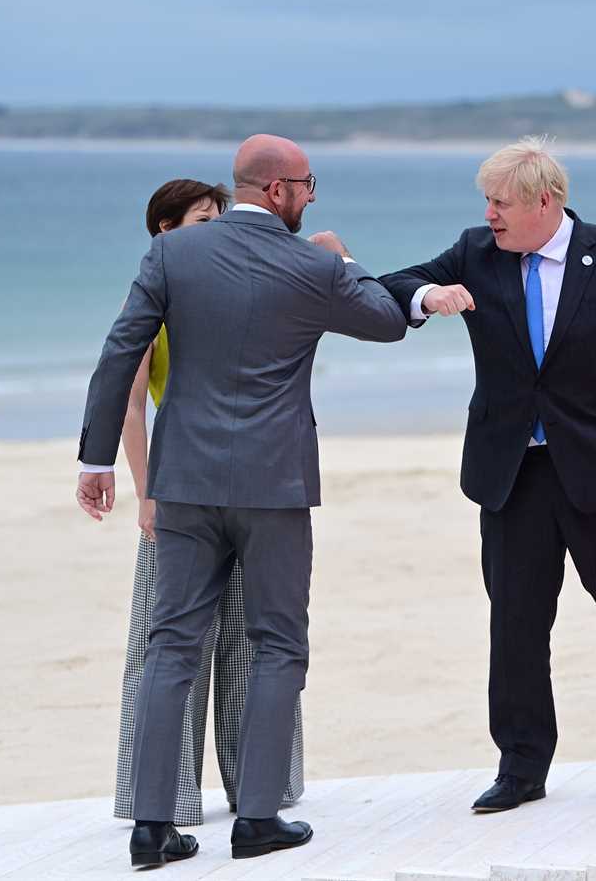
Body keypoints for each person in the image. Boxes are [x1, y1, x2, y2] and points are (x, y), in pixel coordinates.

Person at [76, 134, 407, 868]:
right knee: (279, 643)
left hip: (185, 481)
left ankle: (151, 827)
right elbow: (386, 320)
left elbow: (119, 351)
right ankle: (257, 818)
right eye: (309, 184)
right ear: (280, 188)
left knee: (171, 646)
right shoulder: (315, 263)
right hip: (273, 485)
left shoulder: (172, 255)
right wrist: (346, 260)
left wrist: (96, 458)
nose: (312, 197)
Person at [380, 137, 596, 814]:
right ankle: (521, 766)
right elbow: (392, 285)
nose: (489, 214)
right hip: (510, 472)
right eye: (485, 200)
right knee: (515, 624)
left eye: (501, 201)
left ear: (547, 201)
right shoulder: (475, 252)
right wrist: (432, 294)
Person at [112, 178, 305, 827]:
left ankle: (262, 791)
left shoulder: (231, 288)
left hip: (250, 484)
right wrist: (146, 494)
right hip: (180, 489)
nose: (218, 228)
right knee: (170, 649)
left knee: (257, 644)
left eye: (222, 215)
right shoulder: (158, 296)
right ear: (165, 231)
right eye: (202, 218)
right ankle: (164, 803)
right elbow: (131, 404)